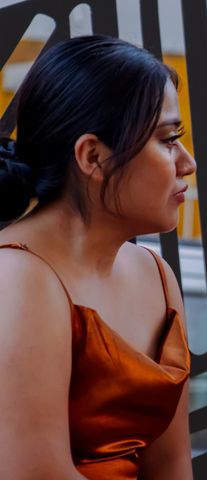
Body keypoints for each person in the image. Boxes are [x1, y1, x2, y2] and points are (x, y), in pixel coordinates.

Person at [0, 36, 196, 479]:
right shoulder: (17, 278)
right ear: (93, 156)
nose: (188, 162)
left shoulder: (155, 275)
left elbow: (172, 465)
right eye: (168, 140)